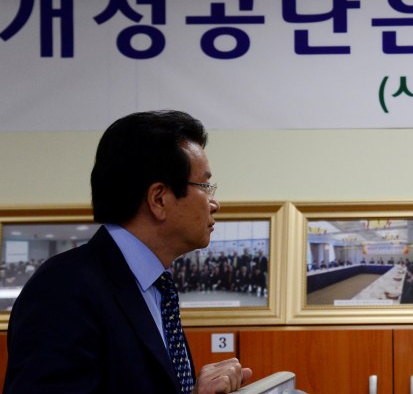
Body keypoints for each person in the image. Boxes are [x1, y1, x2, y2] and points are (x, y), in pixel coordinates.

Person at [4, 110, 253, 393]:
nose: (214, 202)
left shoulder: (156, 287)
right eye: (205, 186)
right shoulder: (63, 289)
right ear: (159, 199)